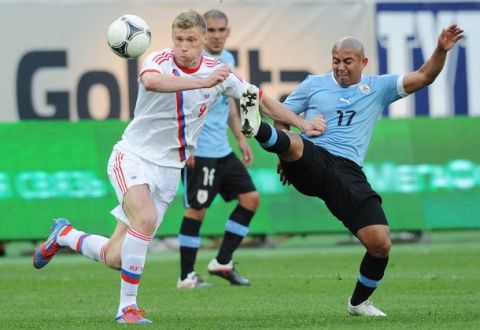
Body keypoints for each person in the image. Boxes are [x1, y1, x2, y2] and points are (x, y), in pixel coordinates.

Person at [32, 10, 324, 324]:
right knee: (143, 220)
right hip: (133, 157)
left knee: (116, 256)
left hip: (169, 171)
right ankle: (127, 308)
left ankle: (65, 235)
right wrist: (201, 81)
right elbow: (152, 82)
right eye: (179, 40)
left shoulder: (220, 73)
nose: (184, 47)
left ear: (203, 42)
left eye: (191, 40)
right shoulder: (158, 60)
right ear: (172, 39)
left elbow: (260, 100)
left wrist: (301, 124)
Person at [240, 24, 464, 316]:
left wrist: (440, 50)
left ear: (363, 62)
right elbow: (285, 116)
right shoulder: (313, 84)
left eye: (347, 61)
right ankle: (255, 127)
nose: (340, 67)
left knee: (380, 242)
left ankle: (359, 302)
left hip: (347, 173)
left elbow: (424, 76)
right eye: (335, 60)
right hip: (313, 158)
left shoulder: (379, 87)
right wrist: (284, 156)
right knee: (295, 144)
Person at [176, 9, 258, 289]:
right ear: (201, 34)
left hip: (223, 150)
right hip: (200, 150)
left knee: (250, 199)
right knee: (197, 211)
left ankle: (222, 261)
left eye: (220, 30)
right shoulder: (190, 63)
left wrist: (242, 138)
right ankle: (186, 276)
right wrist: (185, 145)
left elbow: (231, 102)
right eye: (210, 31)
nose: (216, 36)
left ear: (228, 32)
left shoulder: (227, 60)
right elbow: (181, 106)